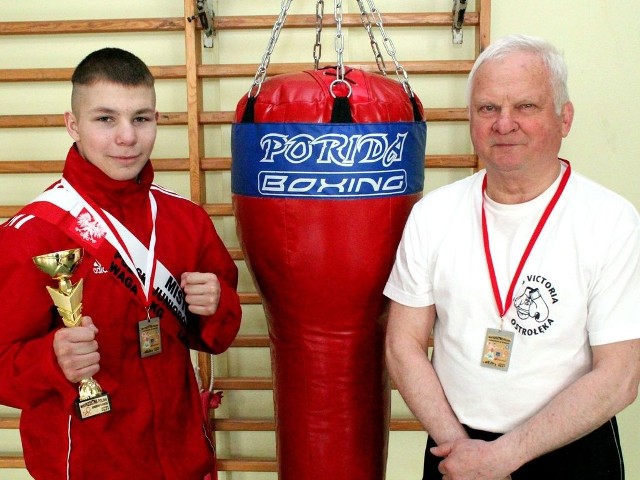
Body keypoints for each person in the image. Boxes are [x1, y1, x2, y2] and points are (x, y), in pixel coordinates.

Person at [384, 34, 640, 479]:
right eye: (488, 108)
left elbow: (620, 375)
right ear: (471, 119)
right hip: (454, 449)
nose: (504, 124)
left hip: (569, 449)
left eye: (525, 106)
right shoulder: (433, 215)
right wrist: (463, 451)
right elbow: (402, 343)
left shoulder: (611, 219)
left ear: (565, 117)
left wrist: (504, 458)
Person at [0, 48, 241, 479]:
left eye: (141, 118)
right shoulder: (33, 234)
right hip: (89, 466)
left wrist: (216, 305)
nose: (127, 138)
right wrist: (50, 360)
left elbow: (219, 336)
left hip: (183, 460)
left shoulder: (184, 220)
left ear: (157, 120)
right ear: (72, 125)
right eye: (105, 119)